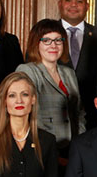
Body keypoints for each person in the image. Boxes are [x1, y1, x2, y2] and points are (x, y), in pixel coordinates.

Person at [16, 19, 86, 158]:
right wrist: (47, 146)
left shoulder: (68, 73)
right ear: (36, 44)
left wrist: (80, 140)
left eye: (58, 40)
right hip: (43, 149)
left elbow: (79, 112)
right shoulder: (27, 71)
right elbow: (28, 114)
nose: (53, 45)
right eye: (46, 40)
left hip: (72, 148)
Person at [58, 0, 97, 129]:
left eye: (79, 1)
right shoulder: (45, 34)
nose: (73, 5)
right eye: (68, 0)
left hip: (91, 118)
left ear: (87, 6)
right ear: (60, 4)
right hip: (53, 117)